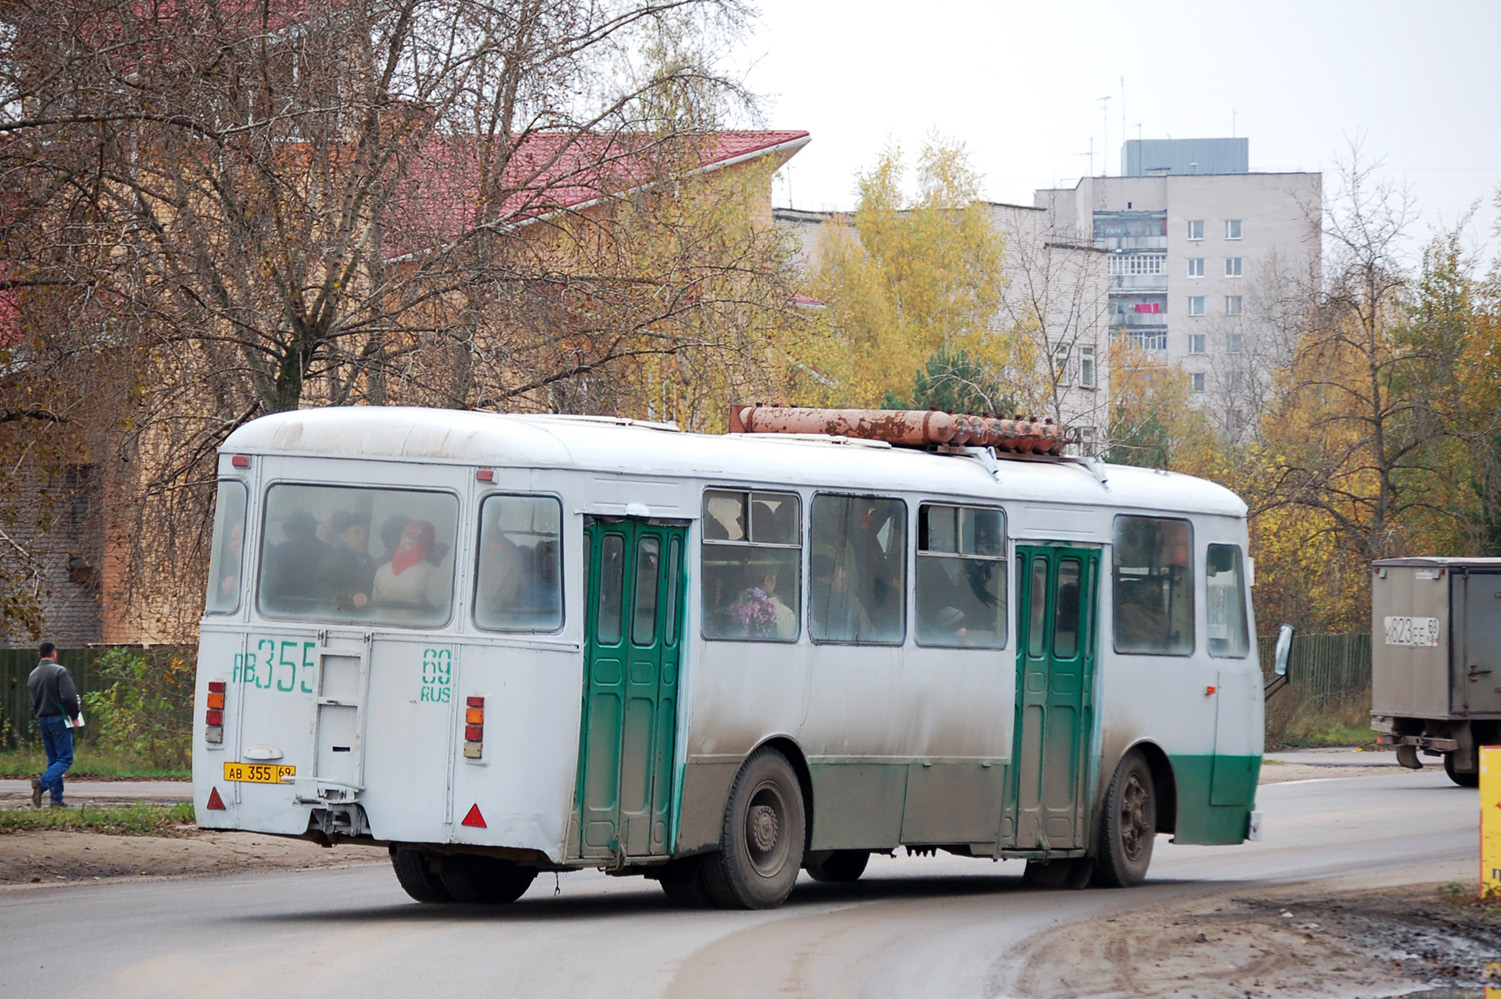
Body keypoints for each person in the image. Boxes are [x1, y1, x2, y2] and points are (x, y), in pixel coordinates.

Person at [28, 642, 81, 809]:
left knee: (53, 760)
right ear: (54, 653)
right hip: (59, 718)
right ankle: (42, 784)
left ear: (39, 654)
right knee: (65, 758)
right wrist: (74, 716)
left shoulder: (33, 675)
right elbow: (69, 697)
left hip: (42, 719)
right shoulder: (60, 671)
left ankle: (56, 799)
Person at [316, 510, 375, 612]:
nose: (363, 537)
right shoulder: (332, 562)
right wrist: (351, 596)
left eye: (366, 532)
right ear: (343, 537)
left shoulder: (369, 561)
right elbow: (323, 594)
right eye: (357, 532)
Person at [372, 520, 441, 606]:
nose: (408, 541)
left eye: (415, 538)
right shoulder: (434, 573)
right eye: (406, 536)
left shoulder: (381, 571)